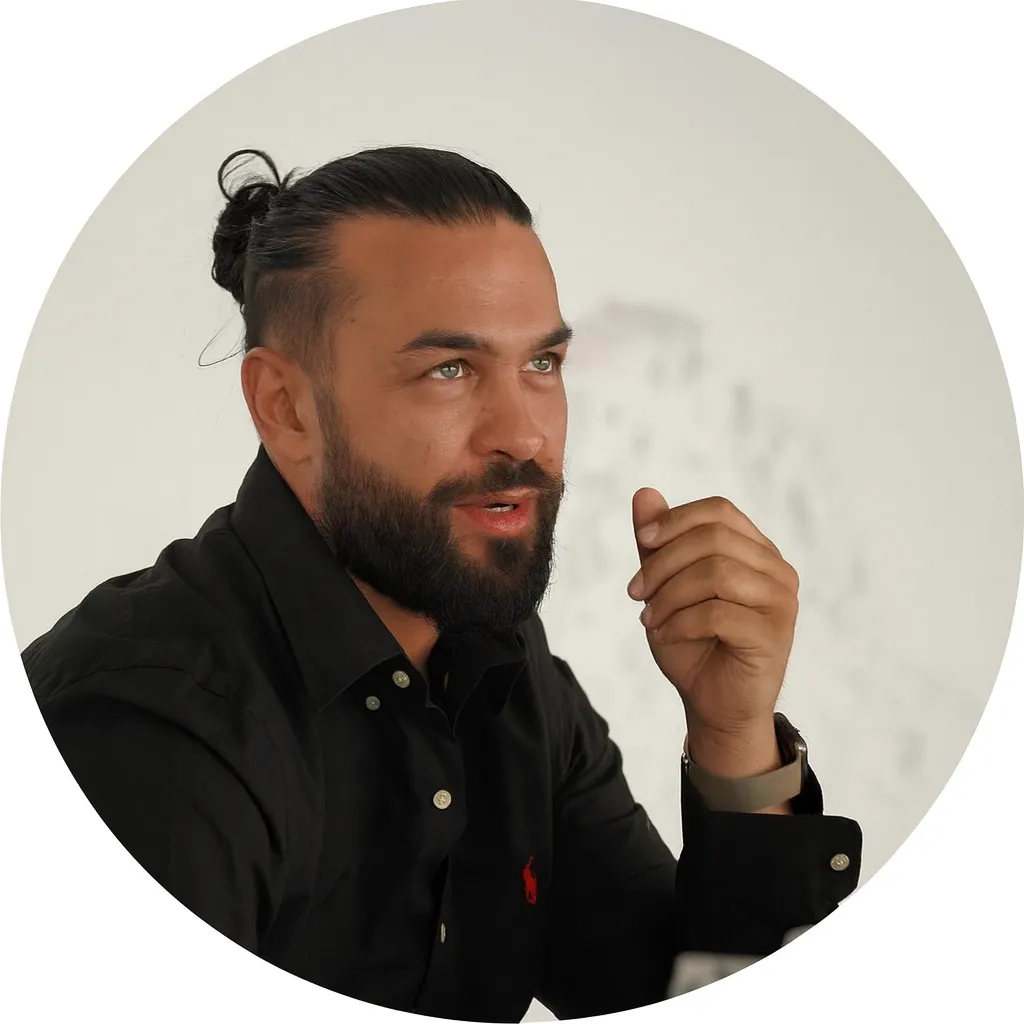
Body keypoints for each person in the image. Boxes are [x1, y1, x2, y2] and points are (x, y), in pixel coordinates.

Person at [24, 146, 862, 1022]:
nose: (524, 435)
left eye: (542, 364)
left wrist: (735, 737)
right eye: (449, 370)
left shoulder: (501, 664)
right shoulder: (148, 727)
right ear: (286, 407)